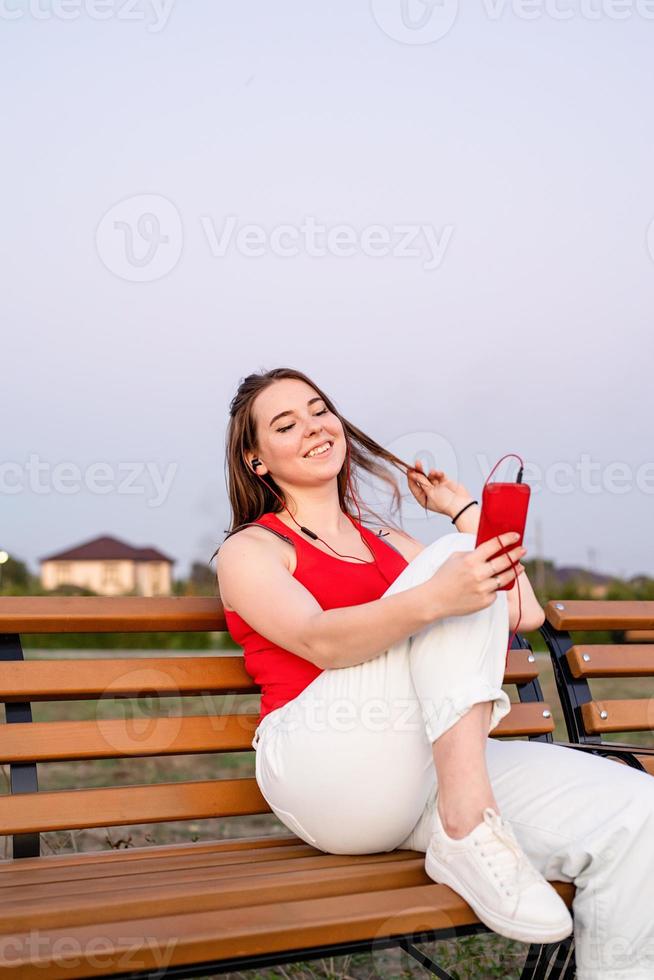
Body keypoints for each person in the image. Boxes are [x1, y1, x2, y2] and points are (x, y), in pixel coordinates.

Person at [214, 367, 654, 979]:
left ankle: (467, 821)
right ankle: (468, 827)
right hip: (325, 766)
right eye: (286, 424)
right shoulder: (251, 549)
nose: (314, 428)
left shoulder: (394, 542)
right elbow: (320, 641)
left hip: (424, 768)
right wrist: (439, 591)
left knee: (639, 814)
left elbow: (521, 610)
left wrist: (463, 511)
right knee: (455, 570)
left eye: (320, 411)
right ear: (257, 460)